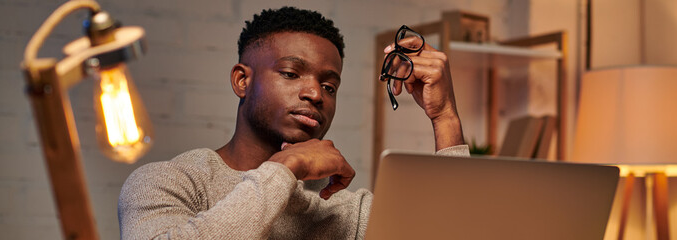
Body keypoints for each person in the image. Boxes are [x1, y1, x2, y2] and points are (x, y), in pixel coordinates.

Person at [118, 6, 468, 239]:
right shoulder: (167, 183)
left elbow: (456, 230)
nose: (316, 93)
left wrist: (445, 117)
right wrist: (284, 167)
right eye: (291, 73)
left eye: (330, 86)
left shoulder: (347, 212)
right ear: (242, 80)